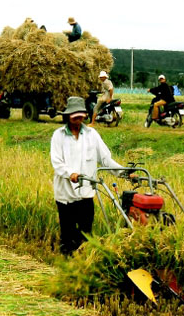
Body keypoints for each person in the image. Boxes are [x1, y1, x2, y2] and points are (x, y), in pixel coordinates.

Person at [50, 96, 132, 255]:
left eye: (80, 114)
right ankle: (67, 265)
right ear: (68, 116)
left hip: (86, 192)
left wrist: (125, 173)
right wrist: (70, 173)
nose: (78, 118)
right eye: (74, 115)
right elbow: (57, 162)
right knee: (68, 234)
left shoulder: (91, 134)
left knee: (86, 233)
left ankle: (84, 263)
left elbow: (105, 159)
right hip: (65, 195)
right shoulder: (58, 135)